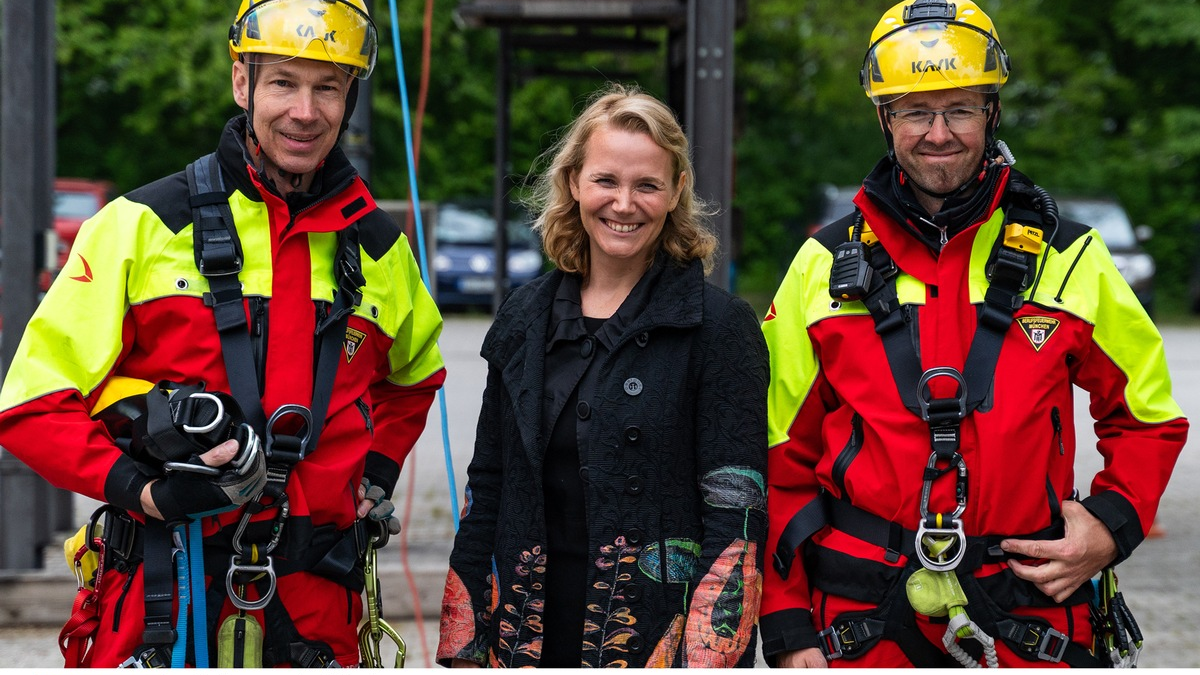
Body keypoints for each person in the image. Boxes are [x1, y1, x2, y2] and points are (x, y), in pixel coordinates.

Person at [0, 0, 445, 667]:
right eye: (283, 83)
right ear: (243, 84)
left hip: (317, 606)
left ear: (350, 96)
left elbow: (416, 378)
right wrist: (138, 489)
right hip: (163, 596)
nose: (306, 110)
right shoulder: (140, 226)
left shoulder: (381, 250)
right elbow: (31, 404)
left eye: (328, 87)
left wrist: (374, 476)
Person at [760, 0, 1188, 668]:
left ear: (992, 113)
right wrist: (788, 626)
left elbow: (1147, 414)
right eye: (914, 111)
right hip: (860, 624)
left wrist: (1112, 524)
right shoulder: (821, 266)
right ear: (884, 117)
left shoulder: (1070, 256)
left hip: (1030, 612)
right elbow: (777, 454)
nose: (939, 133)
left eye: (960, 108)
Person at [436, 83, 769, 668]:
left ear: (676, 192)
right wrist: (462, 643)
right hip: (523, 637)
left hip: (655, 641)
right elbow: (487, 485)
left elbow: (735, 512)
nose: (624, 203)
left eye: (647, 185)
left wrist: (707, 658)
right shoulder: (522, 316)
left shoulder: (719, 327)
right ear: (573, 183)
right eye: (606, 181)